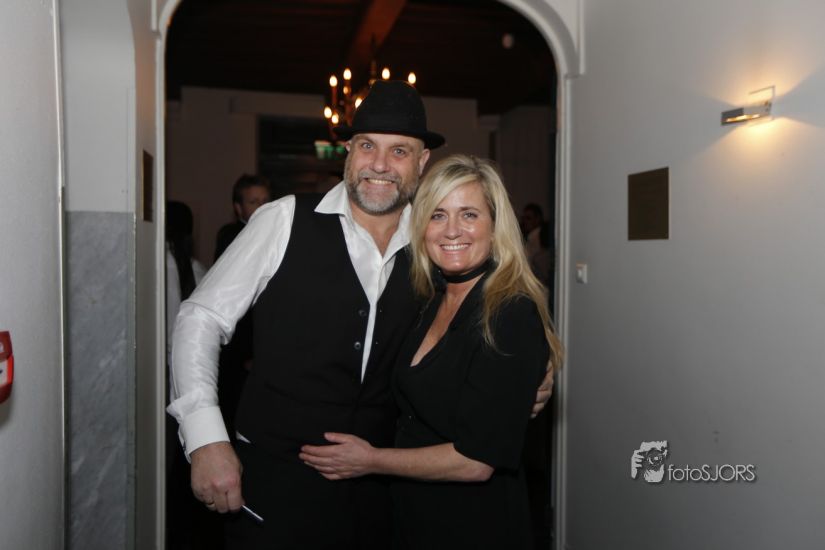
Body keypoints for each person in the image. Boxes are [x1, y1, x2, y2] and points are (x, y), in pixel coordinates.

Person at [167, 81, 552, 549]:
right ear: (348, 151)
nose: (381, 165)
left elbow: (481, 325)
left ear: (421, 162)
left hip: (380, 499)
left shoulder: (434, 245)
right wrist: (206, 439)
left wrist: (534, 375)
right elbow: (200, 319)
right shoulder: (283, 219)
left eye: (399, 151)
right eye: (368, 145)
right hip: (274, 484)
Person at [300, 155, 563, 550]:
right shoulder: (430, 299)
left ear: (496, 227)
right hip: (414, 515)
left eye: (469, 214)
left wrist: (370, 460)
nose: (452, 230)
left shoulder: (509, 313)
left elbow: (476, 461)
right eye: (438, 215)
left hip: (474, 526)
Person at [214, 174, 272, 261]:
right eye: (253, 202)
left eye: (265, 201)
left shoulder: (277, 230)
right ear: (239, 208)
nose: (262, 206)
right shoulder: (231, 237)